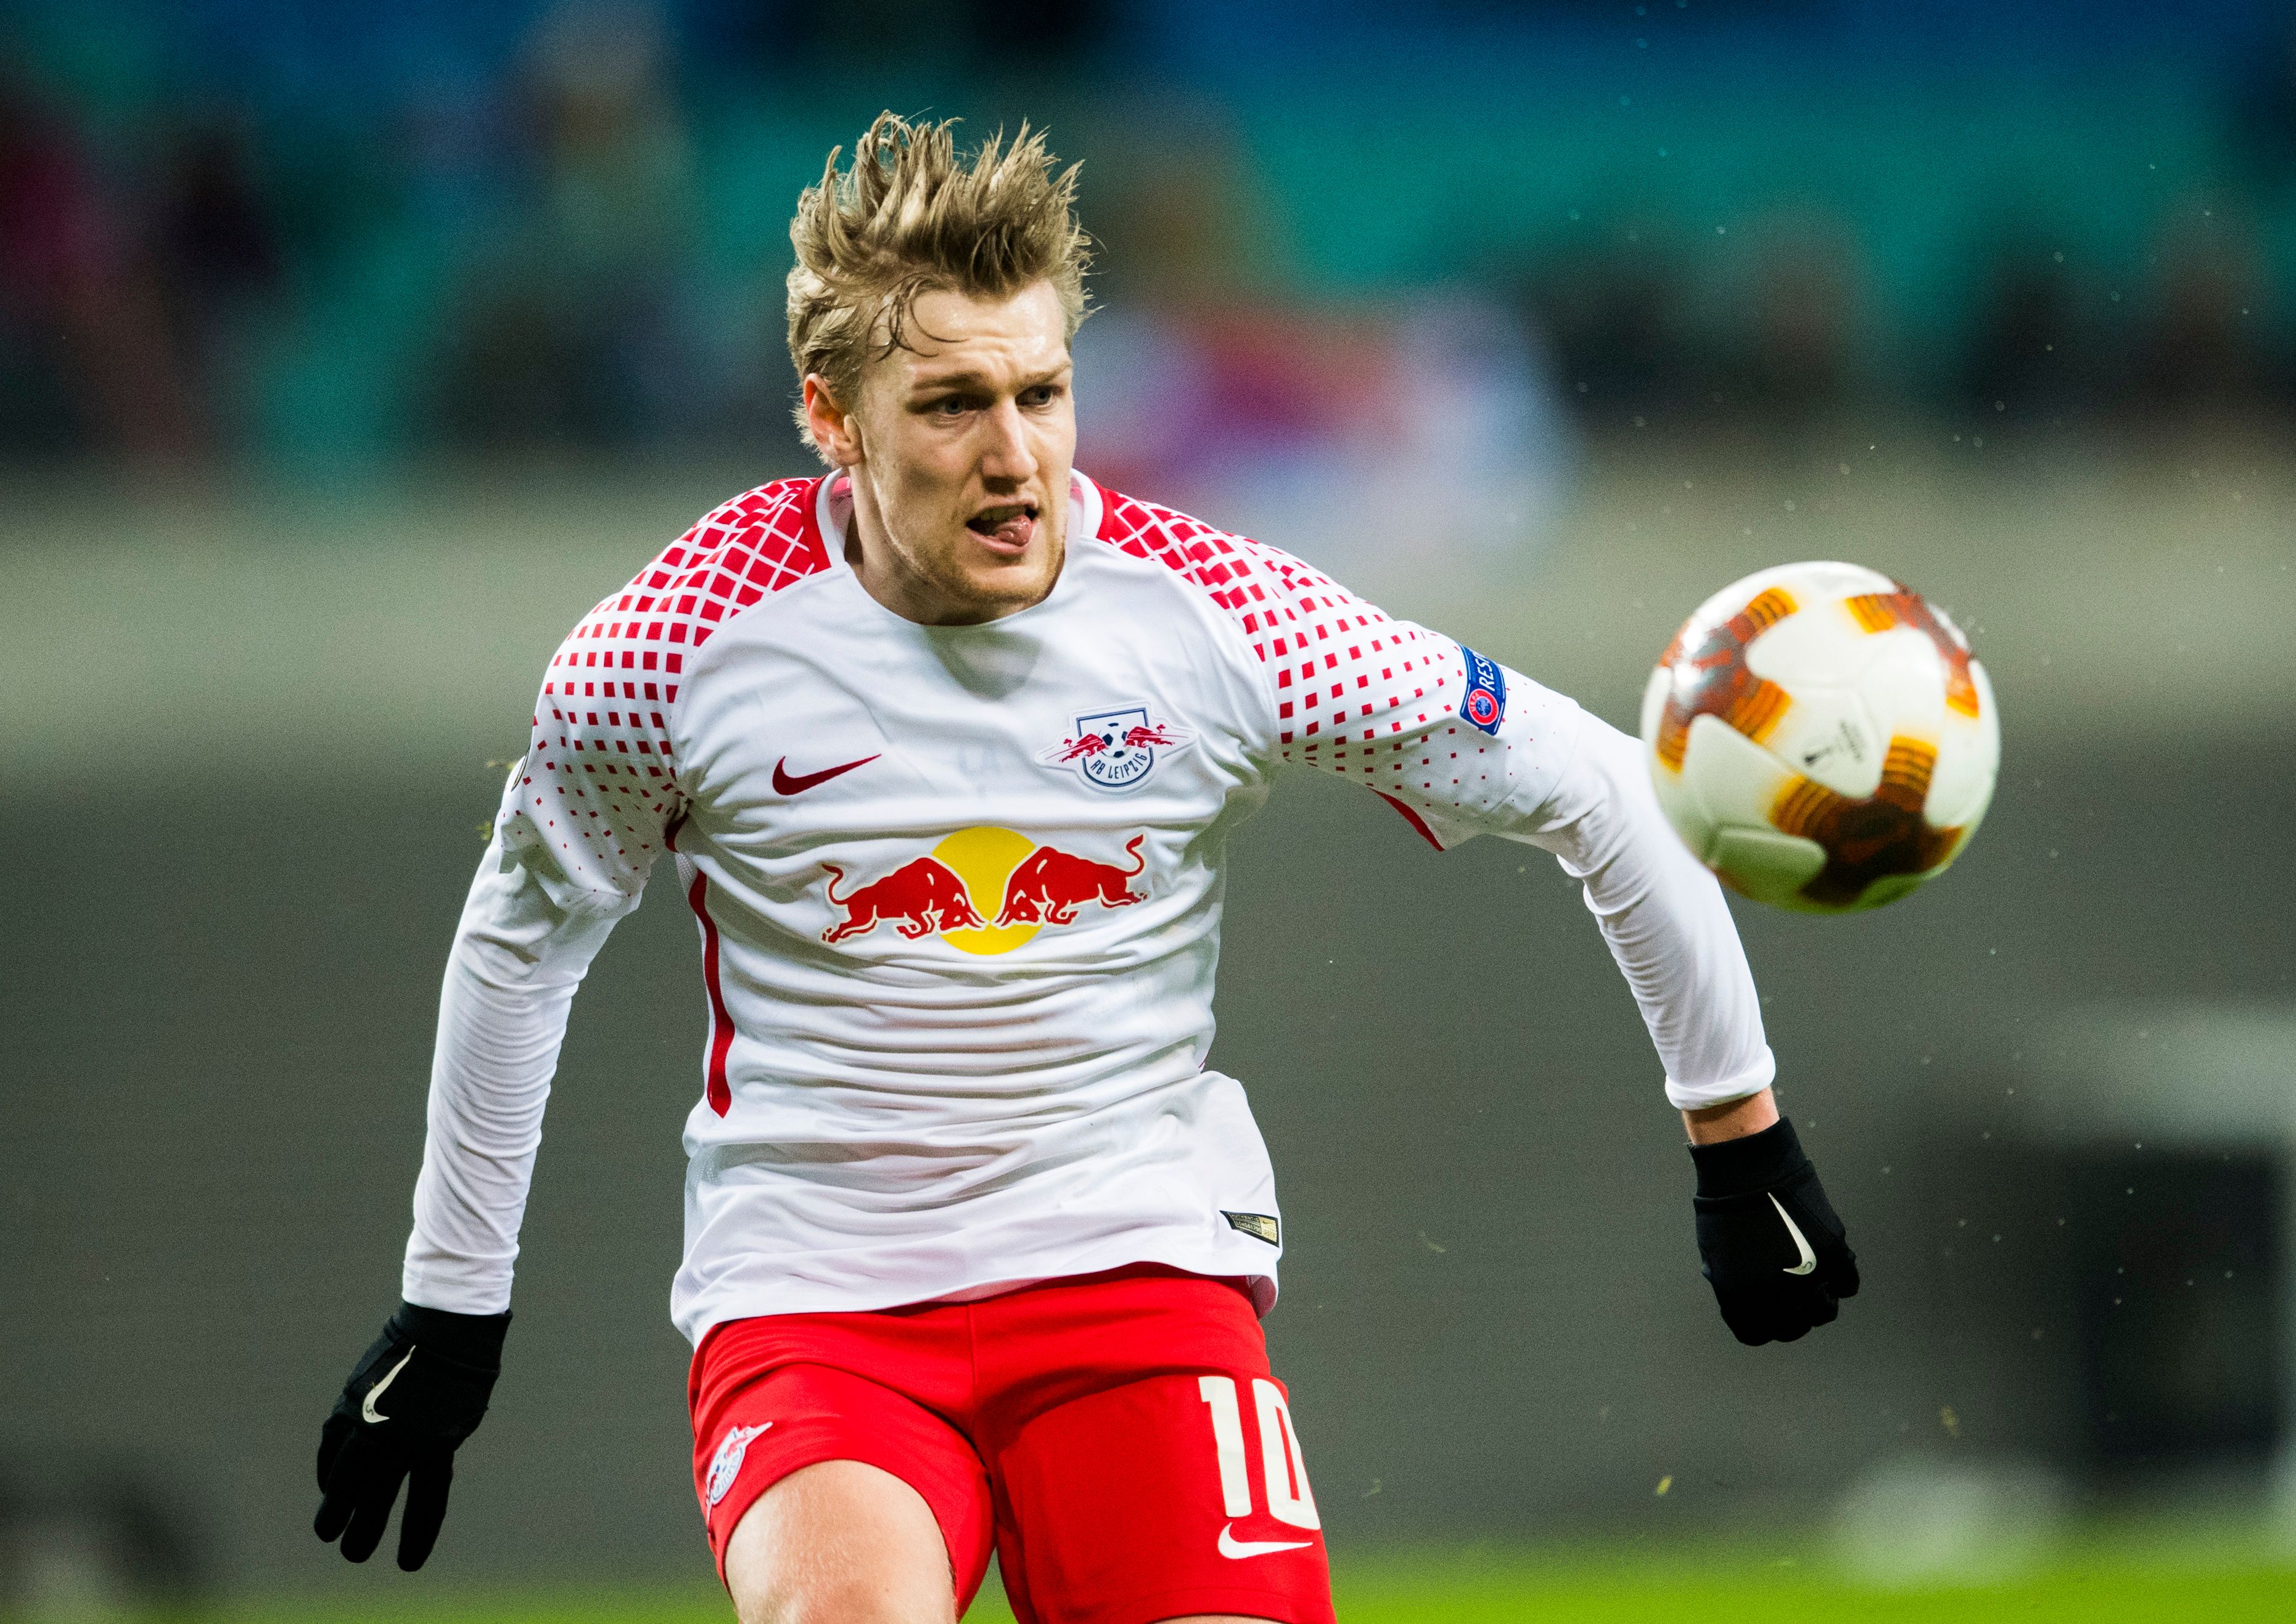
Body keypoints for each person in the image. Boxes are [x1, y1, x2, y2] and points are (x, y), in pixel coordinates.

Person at [311, 114, 1858, 1624]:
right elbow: (521, 945)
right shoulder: (670, 649)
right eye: (950, 405)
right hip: (819, 1302)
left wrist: (1740, 1136)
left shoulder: (1217, 620)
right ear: (828, 417)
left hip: (1136, 1274)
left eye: (1042, 393)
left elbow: (1598, 781)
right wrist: (450, 1310)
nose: (1014, 458)